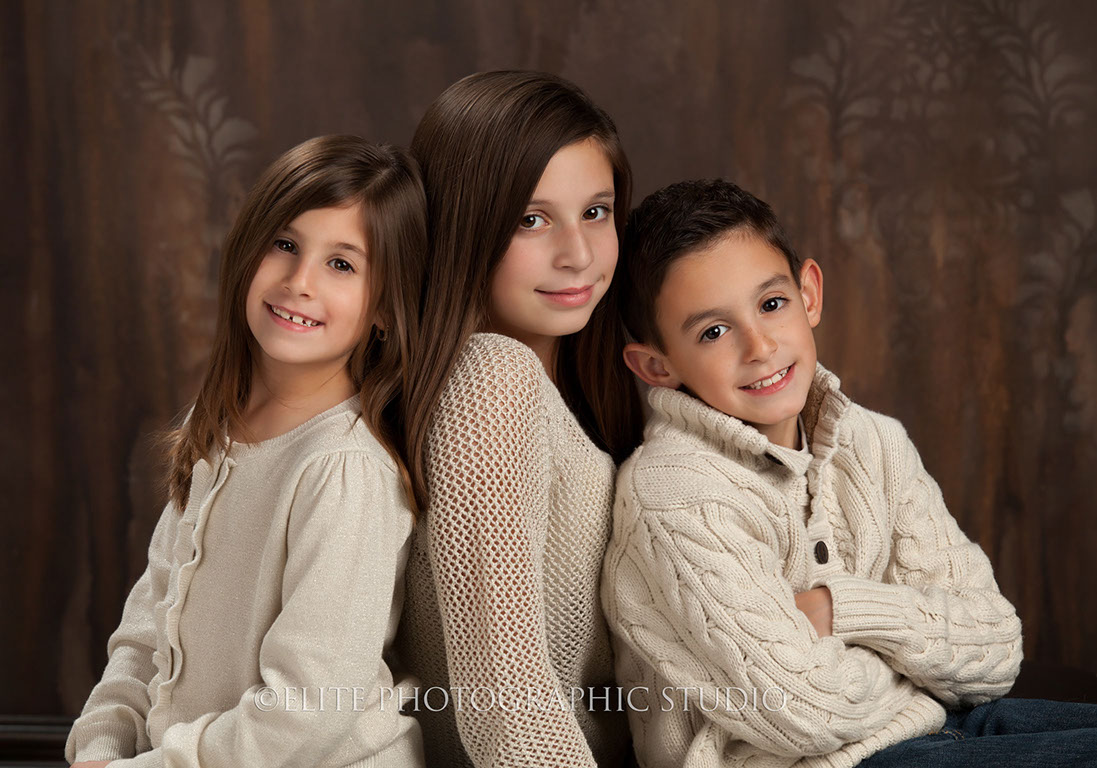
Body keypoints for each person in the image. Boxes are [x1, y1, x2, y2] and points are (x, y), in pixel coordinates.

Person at [602, 178, 1096, 767]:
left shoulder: (873, 442)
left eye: (771, 304)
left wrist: (842, 608)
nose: (759, 346)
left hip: (938, 726)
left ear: (808, 294)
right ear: (656, 366)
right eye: (713, 332)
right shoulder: (674, 493)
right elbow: (806, 708)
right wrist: (925, 663)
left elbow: (997, 647)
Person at [65, 135, 428, 767]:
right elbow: (148, 632)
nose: (299, 282)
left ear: (384, 310)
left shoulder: (344, 470)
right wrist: (102, 745)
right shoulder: (215, 430)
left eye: (342, 265)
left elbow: (308, 710)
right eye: (284, 245)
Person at [395, 71, 643, 768]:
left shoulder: (582, 389)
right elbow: (506, 707)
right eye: (530, 220)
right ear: (462, 225)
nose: (578, 254)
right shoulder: (490, 379)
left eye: (596, 211)